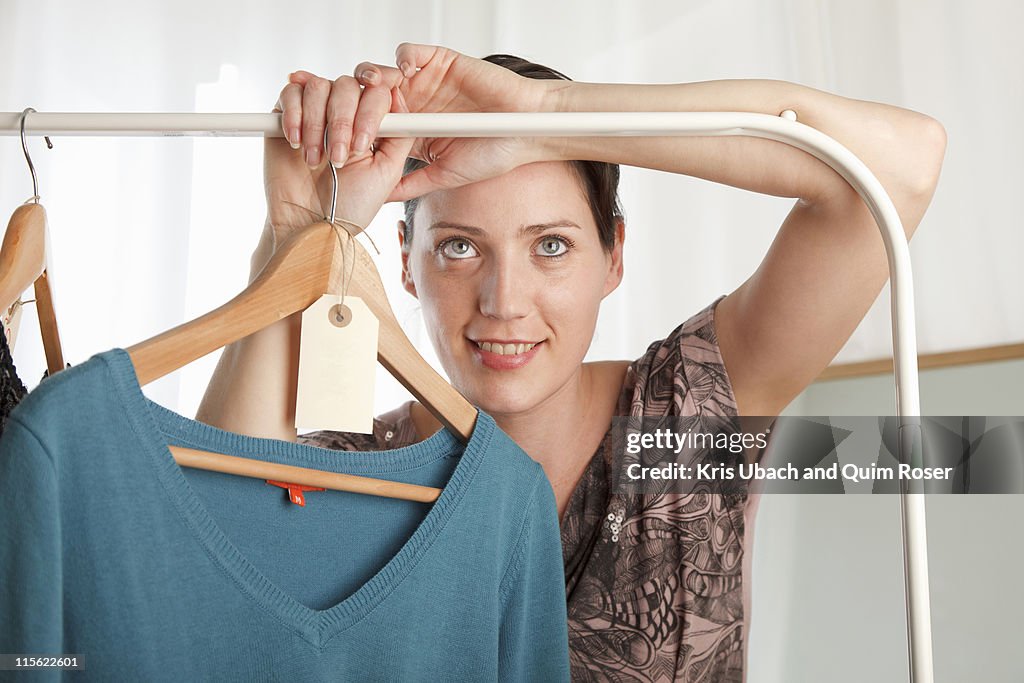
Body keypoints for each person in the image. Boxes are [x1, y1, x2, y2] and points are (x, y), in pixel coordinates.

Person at [198, 43, 946, 682]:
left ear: (613, 254)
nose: (504, 300)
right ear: (405, 263)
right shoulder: (347, 474)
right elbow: (199, 599)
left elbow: (901, 165)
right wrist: (298, 234)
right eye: (459, 247)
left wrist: (547, 115)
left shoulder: (686, 412)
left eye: (550, 244)